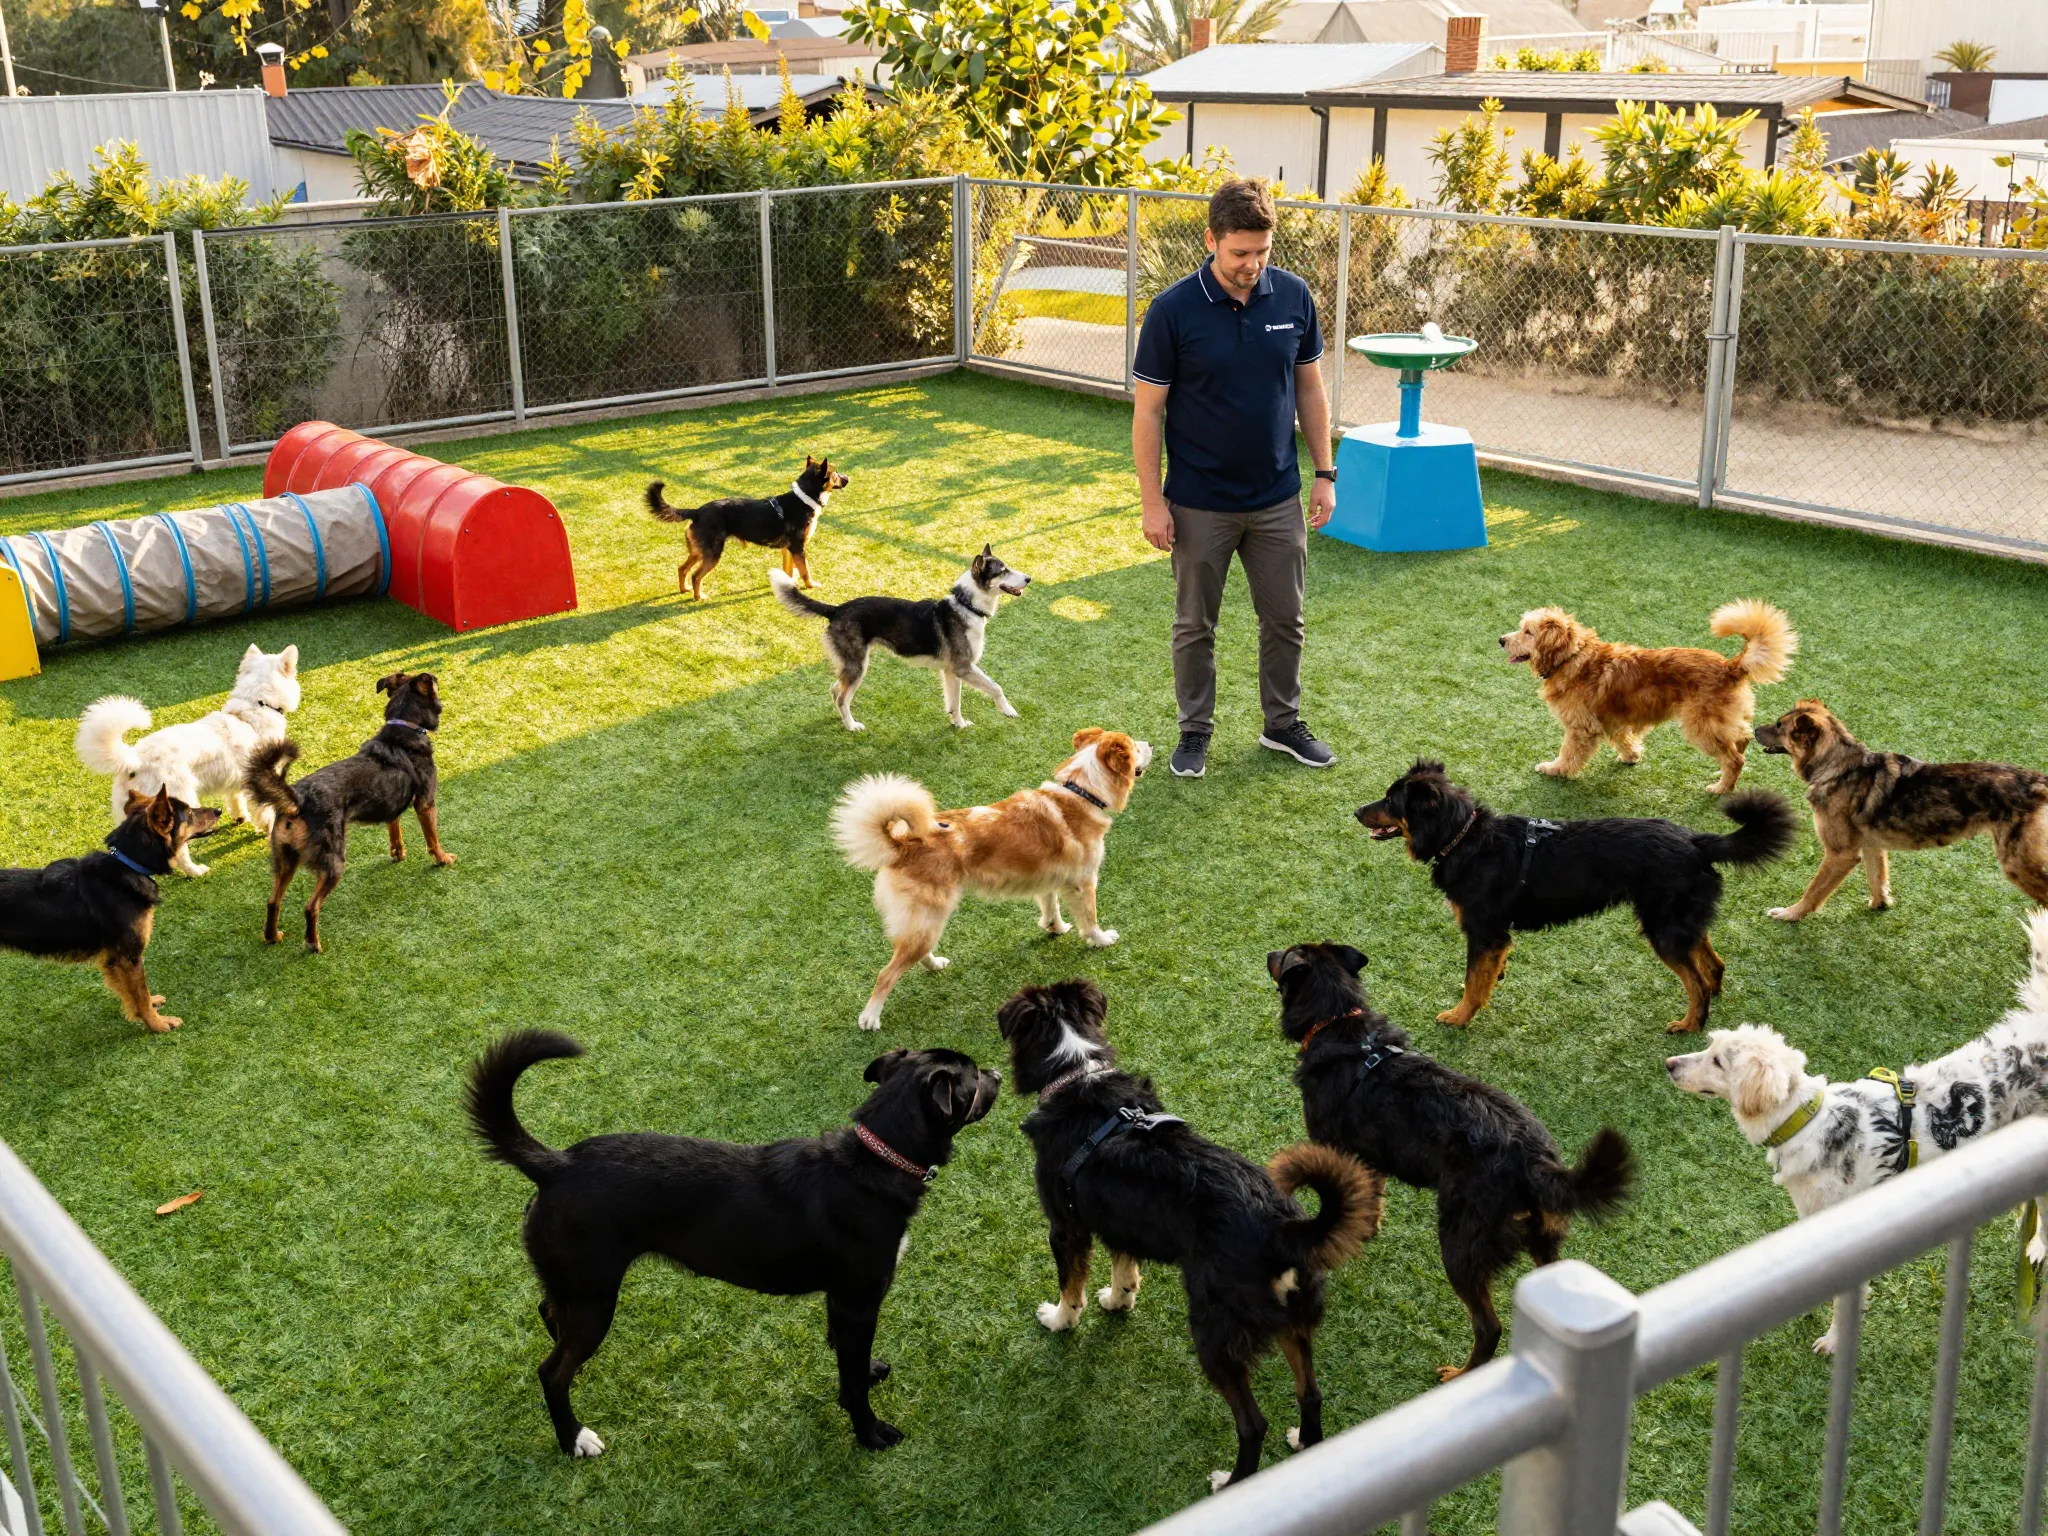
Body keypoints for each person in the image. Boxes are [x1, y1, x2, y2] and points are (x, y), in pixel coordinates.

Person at [1131, 177, 1337, 779]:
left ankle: (1283, 725)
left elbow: (1309, 388)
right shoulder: (1173, 310)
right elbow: (1148, 411)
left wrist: (1324, 473)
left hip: (1277, 495)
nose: (1252, 265)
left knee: (1285, 619)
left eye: (1262, 252)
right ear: (1211, 241)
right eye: (1239, 253)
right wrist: (1152, 501)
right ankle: (1194, 733)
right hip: (1199, 501)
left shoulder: (1294, 297)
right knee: (1195, 625)